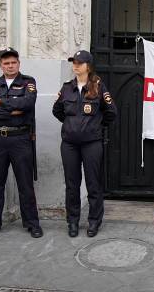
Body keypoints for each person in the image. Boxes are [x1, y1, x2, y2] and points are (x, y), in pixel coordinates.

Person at [0, 47, 43, 240]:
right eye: (6, 63)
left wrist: (0, 103)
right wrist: (11, 110)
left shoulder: (28, 82)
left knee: (25, 183)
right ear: (0, 65)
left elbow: (27, 104)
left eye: (13, 62)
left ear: (18, 64)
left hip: (20, 139)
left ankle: (32, 224)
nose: (10, 65)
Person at [53, 50, 117, 237]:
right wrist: (71, 125)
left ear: (88, 66)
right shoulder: (66, 88)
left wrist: (95, 126)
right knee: (72, 185)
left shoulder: (98, 86)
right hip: (70, 144)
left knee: (93, 183)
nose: (75, 66)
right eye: (74, 62)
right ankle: (72, 221)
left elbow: (111, 112)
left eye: (79, 63)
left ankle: (94, 221)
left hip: (92, 144)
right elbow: (57, 110)